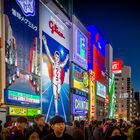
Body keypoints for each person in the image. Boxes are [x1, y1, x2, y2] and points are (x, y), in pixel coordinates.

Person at [42, 35, 69, 115]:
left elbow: (65, 62)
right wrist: (45, 43)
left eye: (58, 57)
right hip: (54, 80)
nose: (56, 58)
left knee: (58, 91)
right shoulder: (53, 63)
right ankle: (56, 111)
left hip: (59, 81)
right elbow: (48, 53)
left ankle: (59, 93)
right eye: (56, 56)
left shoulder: (60, 65)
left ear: (59, 57)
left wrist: (67, 58)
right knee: (54, 96)